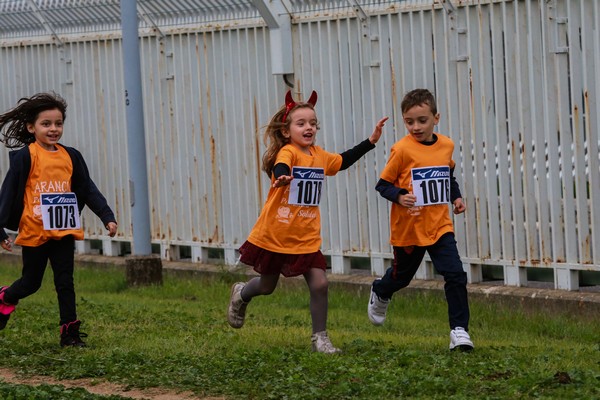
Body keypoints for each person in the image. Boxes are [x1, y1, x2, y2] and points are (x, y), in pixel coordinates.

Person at [228, 89, 388, 354]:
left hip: (306, 236)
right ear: (286, 131)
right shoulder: (289, 153)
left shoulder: (320, 155)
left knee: (320, 284)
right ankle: (242, 293)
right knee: (267, 286)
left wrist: (370, 141)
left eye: (313, 123)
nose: (309, 127)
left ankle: (320, 339)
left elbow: (343, 161)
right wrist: (281, 177)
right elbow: (282, 164)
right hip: (276, 234)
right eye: (301, 123)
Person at [0, 92, 118, 347]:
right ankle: (5, 297)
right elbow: (8, 193)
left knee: (65, 282)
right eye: (46, 124)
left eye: (58, 124)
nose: (53, 129)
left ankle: (70, 334)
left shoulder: (71, 156)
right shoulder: (25, 157)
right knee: (31, 283)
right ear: (31, 127)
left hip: (63, 230)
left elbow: (87, 189)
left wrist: (106, 216)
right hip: (34, 231)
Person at [368, 88, 473, 351]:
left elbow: (447, 177)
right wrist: (400, 195)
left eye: (422, 120)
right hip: (409, 229)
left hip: (439, 227)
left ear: (436, 117)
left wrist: (456, 198)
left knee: (456, 274)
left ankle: (459, 331)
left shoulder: (446, 145)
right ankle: (381, 290)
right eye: (409, 121)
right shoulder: (402, 150)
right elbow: (382, 185)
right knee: (401, 278)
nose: (415, 127)